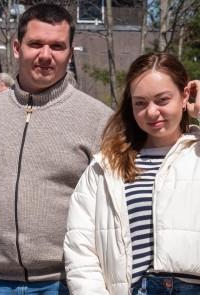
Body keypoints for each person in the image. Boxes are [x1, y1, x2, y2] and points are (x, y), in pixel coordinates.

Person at [0, 3, 112, 295]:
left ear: (70, 50)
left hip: (66, 283)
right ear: (17, 47)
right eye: (36, 44)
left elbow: (115, 213)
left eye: (57, 46)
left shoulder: (98, 119)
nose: (46, 55)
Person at [64, 52, 200, 294]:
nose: (151, 112)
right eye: (141, 103)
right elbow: (81, 249)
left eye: (162, 100)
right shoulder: (105, 167)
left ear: (185, 96)